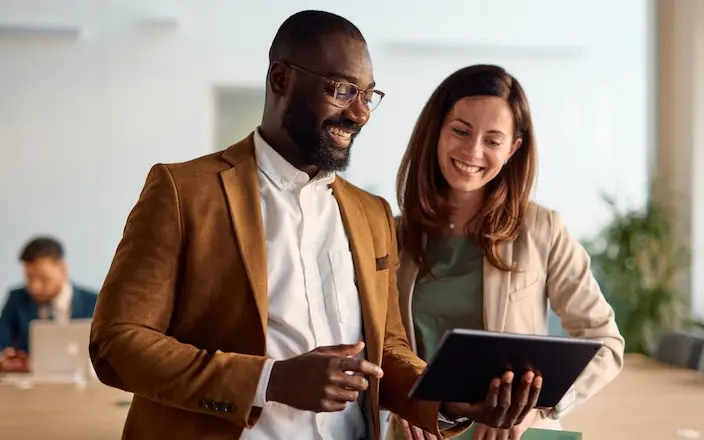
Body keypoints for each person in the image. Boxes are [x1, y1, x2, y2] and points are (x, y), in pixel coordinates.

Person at [89, 12, 543, 440]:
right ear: (280, 79)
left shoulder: (371, 213)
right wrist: (270, 380)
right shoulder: (183, 191)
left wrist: (452, 399)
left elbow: (387, 350)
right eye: (342, 90)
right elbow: (117, 342)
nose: (360, 113)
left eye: (368, 96)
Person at [388, 65, 625, 440]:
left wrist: (537, 407)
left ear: (513, 149)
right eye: (461, 131)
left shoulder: (542, 229)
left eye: (493, 140)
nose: (473, 151)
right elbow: (376, 348)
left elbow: (605, 343)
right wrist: (403, 401)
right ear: (436, 132)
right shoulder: (391, 235)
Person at [0, 236, 98, 372]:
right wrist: (5, 358)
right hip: (30, 379)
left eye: (44, 279)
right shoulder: (16, 299)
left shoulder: (94, 301)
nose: (35, 287)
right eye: (29, 278)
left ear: (63, 270)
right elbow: (2, 342)